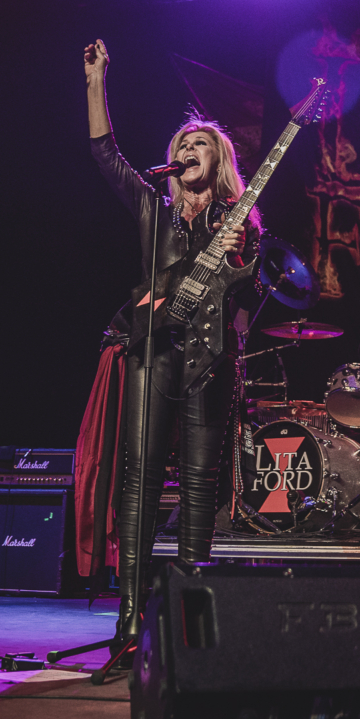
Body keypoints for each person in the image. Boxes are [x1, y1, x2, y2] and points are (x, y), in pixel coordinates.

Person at [84, 38, 259, 659]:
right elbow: (106, 155)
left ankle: (190, 618)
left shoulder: (240, 223)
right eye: (182, 144)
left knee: (198, 485)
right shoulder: (153, 211)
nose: (188, 150)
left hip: (211, 362)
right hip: (151, 355)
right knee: (139, 479)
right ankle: (129, 622)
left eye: (201, 144)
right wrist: (96, 81)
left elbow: (254, 289)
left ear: (221, 159)